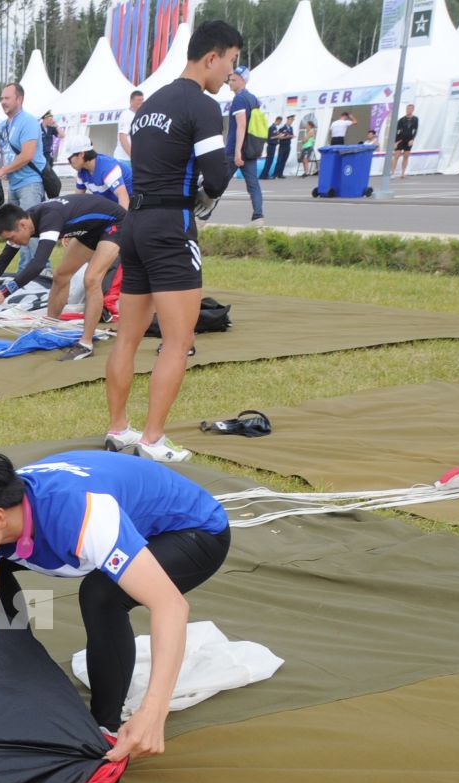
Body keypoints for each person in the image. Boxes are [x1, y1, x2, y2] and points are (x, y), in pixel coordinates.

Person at [0, 444, 230, 760]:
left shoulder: (82, 517)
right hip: (103, 510)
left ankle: (107, 725)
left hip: (193, 531)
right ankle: (26, 674)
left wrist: (153, 711)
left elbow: (170, 606)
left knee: (102, 594)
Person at [103, 18, 241, 463]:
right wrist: (207, 192)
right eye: (231, 64)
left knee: (127, 338)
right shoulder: (201, 106)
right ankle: (153, 439)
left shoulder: (149, 106)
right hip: (170, 226)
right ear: (211, 58)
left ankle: (119, 428)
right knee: (178, 342)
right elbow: (216, 178)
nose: (231, 76)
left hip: (135, 224)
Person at [0, 195, 124, 360]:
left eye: (11, 238)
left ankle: (86, 344)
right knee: (61, 275)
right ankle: (51, 327)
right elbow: (2, 261)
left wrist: (5, 291)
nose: (12, 242)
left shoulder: (49, 219)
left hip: (115, 224)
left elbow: (38, 264)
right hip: (91, 230)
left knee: (91, 279)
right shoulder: (24, 221)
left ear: (22, 225)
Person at [0, 82, 47, 272]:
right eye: (1, 98)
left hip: (30, 183)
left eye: (7, 98)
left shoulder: (28, 122)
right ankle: (24, 271)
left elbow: (28, 154)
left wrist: (3, 171)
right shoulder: (3, 126)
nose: (3, 102)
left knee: (31, 229)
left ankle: (42, 270)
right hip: (13, 184)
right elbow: (0, 152)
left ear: (19, 99)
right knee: (17, 232)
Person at [225, 67, 266, 224]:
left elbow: (241, 125)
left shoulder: (239, 99)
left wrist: (237, 152)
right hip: (250, 149)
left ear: (243, 81)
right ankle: (258, 216)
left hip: (236, 150)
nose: (230, 82)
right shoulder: (253, 98)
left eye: (234, 79)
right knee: (253, 185)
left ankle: (202, 216)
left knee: (218, 183)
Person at [68, 144, 132, 209]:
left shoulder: (107, 167)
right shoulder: (82, 171)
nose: (69, 163)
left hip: (131, 206)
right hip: (111, 205)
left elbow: (123, 197)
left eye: (69, 159)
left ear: (81, 154)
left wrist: (124, 219)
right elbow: (77, 199)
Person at [392, 104, 419, 178]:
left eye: (410, 109)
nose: (408, 110)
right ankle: (392, 172)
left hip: (409, 139)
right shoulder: (401, 120)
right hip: (400, 139)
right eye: (407, 109)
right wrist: (396, 142)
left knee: (406, 156)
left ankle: (403, 173)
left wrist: (412, 139)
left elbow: (415, 130)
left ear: (413, 110)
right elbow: (396, 131)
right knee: (396, 155)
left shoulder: (415, 119)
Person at [119, 90, 145, 160]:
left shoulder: (140, 115)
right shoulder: (126, 115)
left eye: (142, 100)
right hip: (124, 159)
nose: (141, 102)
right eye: (138, 100)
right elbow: (122, 138)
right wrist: (132, 156)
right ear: (131, 101)